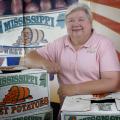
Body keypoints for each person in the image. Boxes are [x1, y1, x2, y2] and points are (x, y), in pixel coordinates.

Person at [24, 3, 120, 105]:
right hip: (66, 110)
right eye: (70, 20)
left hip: (96, 108)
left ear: (90, 22)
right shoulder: (59, 44)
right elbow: (29, 58)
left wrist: (75, 89)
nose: (75, 24)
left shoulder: (104, 43)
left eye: (81, 19)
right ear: (66, 24)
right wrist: (44, 63)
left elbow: (113, 82)